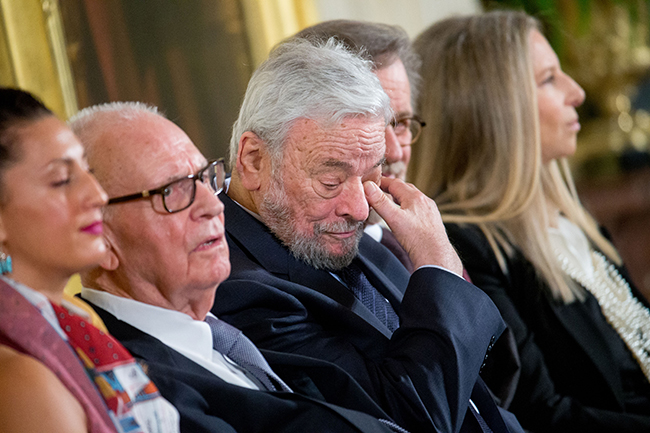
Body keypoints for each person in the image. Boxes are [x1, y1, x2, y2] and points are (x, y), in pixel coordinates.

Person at [214, 37, 523, 433]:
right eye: (330, 180)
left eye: (372, 177)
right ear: (254, 159)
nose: (360, 209)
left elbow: (483, 392)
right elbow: (411, 420)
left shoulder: (329, 229)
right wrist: (439, 266)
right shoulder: (239, 291)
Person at [69, 100, 420, 433]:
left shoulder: (221, 334)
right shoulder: (124, 383)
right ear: (101, 238)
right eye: (173, 191)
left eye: (205, 178)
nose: (213, 204)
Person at [410, 10, 650, 433]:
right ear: (491, 110)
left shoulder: (570, 219)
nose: (576, 92)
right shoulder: (466, 246)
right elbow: (542, 416)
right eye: (548, 79)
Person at [0, 88, 180, 433]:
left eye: (87, 171)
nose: (97, 195)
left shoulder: (79, 318)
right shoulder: (20, 378)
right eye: (62, 180)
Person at [294, 20, 423, 272]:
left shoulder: (415, 242)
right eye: (369, 125)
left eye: (401, 123)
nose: (395, 151)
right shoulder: (307, 253)